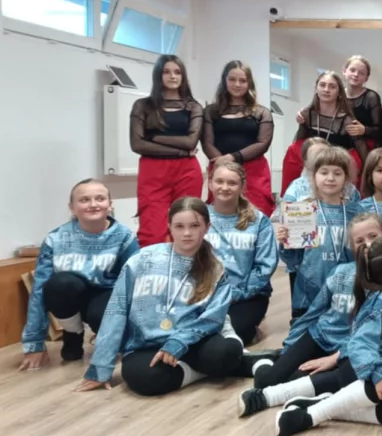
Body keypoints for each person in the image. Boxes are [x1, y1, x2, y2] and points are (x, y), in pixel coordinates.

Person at [274, 232, 382, 436]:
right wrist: (379, 372)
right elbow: (359, 344)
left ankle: (325, 404)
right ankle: (309, 415)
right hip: (365, 369)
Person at [78, 198, 241, 396]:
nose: (187, 233)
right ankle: (202, 372)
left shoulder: (216, 269)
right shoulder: (142, 259)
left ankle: (205, 365)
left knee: (225, 353)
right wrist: (101, 366)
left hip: (192, 342)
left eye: (194, 226)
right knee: (143, 378)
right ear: (169, 226)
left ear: (206, 227)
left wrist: (178, 342)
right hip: (147, 345)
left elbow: (213, 318)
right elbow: (116, 310)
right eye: (179, 226)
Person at [239, 214, 382, 403]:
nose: (368, 244)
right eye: (359, 241)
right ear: (351, 246)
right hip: (320, 336)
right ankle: (266, 361)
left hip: (350, 347)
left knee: (300, 381)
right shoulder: (341, 273)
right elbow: (314, 312)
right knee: (266, 381)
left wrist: (335, 358)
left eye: (373, 236)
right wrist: (290, 345)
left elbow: (374, 335)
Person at [20, 179, 139, 369]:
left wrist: (131, 337)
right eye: (84, 200)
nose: (93, 204)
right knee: (60, 284)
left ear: (110, 204)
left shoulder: (125, 237)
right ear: (72, 207)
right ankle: (73, 334)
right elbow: (39, 290)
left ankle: (106, 336)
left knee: (102, 313)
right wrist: (34, 343)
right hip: (72, 296)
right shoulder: (56, 238)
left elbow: (135, 285)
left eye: (100, 198)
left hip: (107, 297)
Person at [277, 146, 360, 320]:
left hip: (346, 296)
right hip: (308, 297)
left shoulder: (357, 214)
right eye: (324, 172)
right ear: (314, 177)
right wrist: (285, 242)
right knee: (299, 337)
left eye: (337, 173)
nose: (330, 178)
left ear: (346, 179)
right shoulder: (303, 212)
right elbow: (293, 260)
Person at [130, 54, 204, 246]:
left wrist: (154, 137)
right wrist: (181, 151)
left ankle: (187, 264)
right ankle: (153, 265)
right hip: (153, 171)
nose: (172, 76)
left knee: (187, 226)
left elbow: (190, 142)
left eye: (177, 72)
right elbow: (137, 144)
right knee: (152, 231)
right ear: (158, 75)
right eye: (166, 72)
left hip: (187, 171)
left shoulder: (193, 107)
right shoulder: (142, 106)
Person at [206, 161, 278, 345]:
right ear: (210, 183)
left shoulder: (259, 221)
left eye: (232, 183)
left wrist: (235, 294)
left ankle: (251, 327)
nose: (224, 187)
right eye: (219, 181)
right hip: (205, 295)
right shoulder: (199, 217)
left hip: (247, 297)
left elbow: (265, 266)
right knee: (199, 333)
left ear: (242, 186)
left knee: (229, 337)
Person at [201, 60, 275, 216]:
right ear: (225, 81)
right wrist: (222, 163)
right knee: (221, 214)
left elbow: (263, 143)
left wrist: (232, 157)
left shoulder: (262, 112)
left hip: (254, 170)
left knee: (256, 214)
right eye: (232, 79)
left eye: (242, 80)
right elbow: (207, 142)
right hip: (220, 167)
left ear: (249, 83)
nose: (237, 84)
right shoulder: (210, 111)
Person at [285, 71, 368, 192]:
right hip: (312, 159)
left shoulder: (347, 120)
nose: (326, 90)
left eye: (332, 86)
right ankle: (291, 195)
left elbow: (361, 150)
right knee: (292, 150)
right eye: (322, 85)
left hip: (336, 162)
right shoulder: (307, 114)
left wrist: (367, 174)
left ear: (339, 92)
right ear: (316, 89)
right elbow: (299, 142)